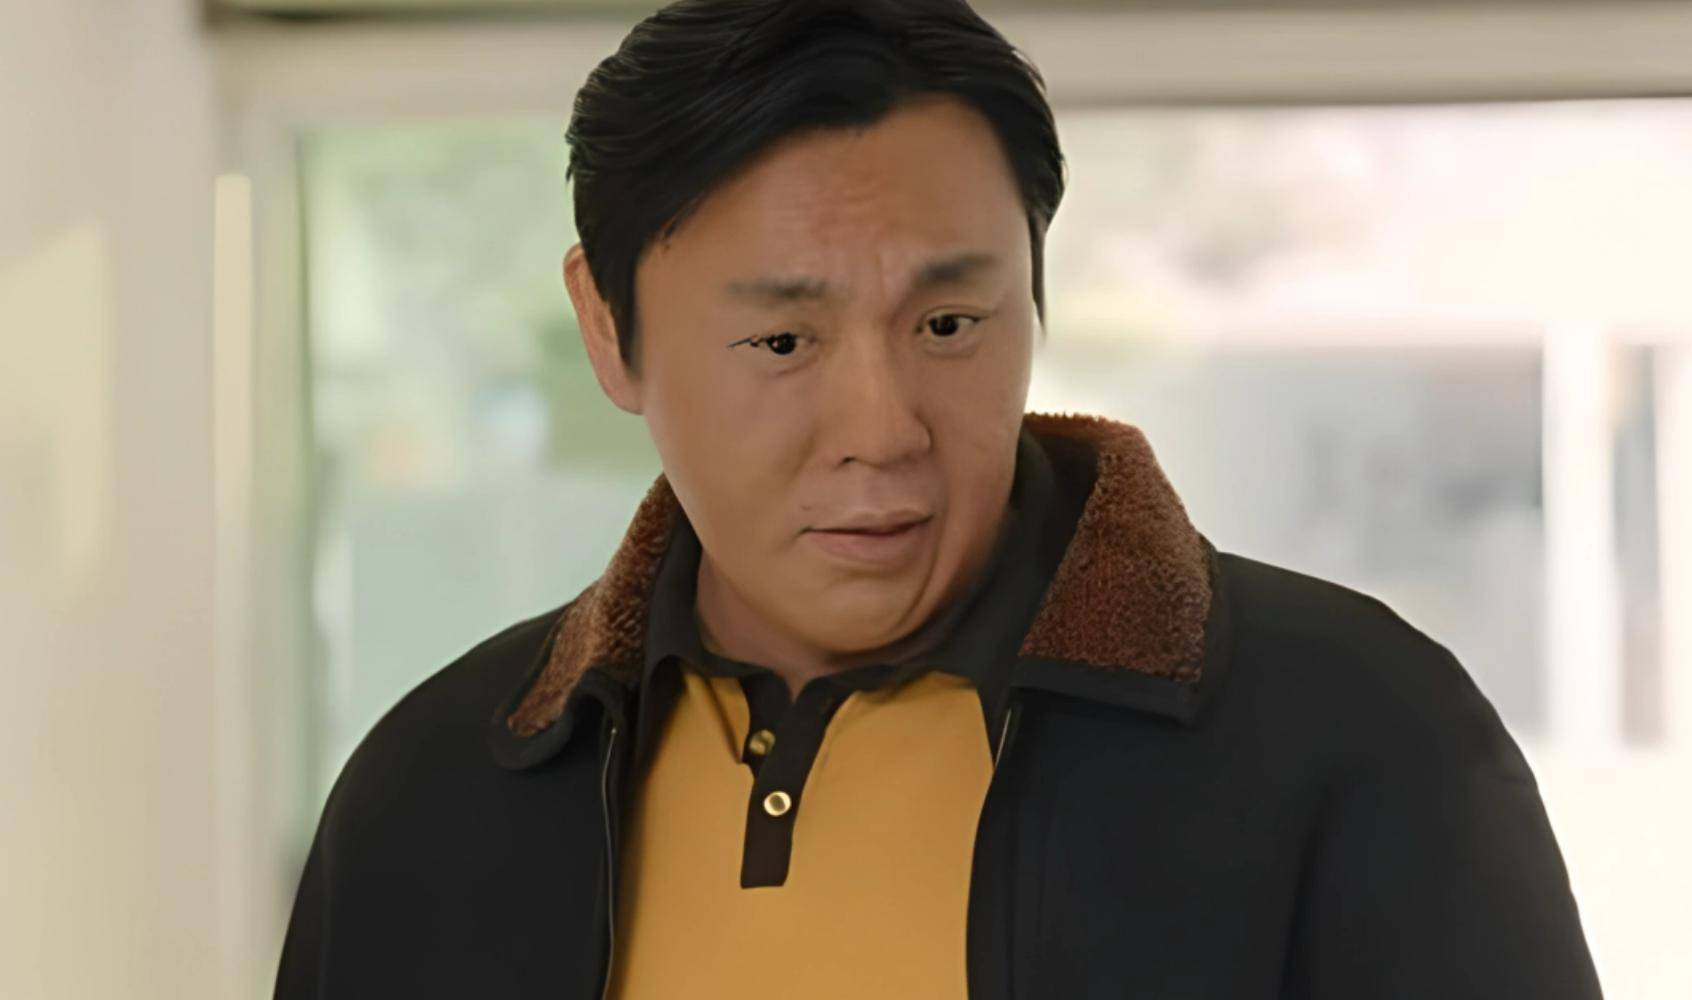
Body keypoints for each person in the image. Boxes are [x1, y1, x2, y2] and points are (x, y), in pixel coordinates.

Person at [273, 1, 1604, 997]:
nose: (882, 431)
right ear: (608, 331)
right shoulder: (433, 797)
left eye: (951, 324)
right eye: (783, 341)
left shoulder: (1358, 740)